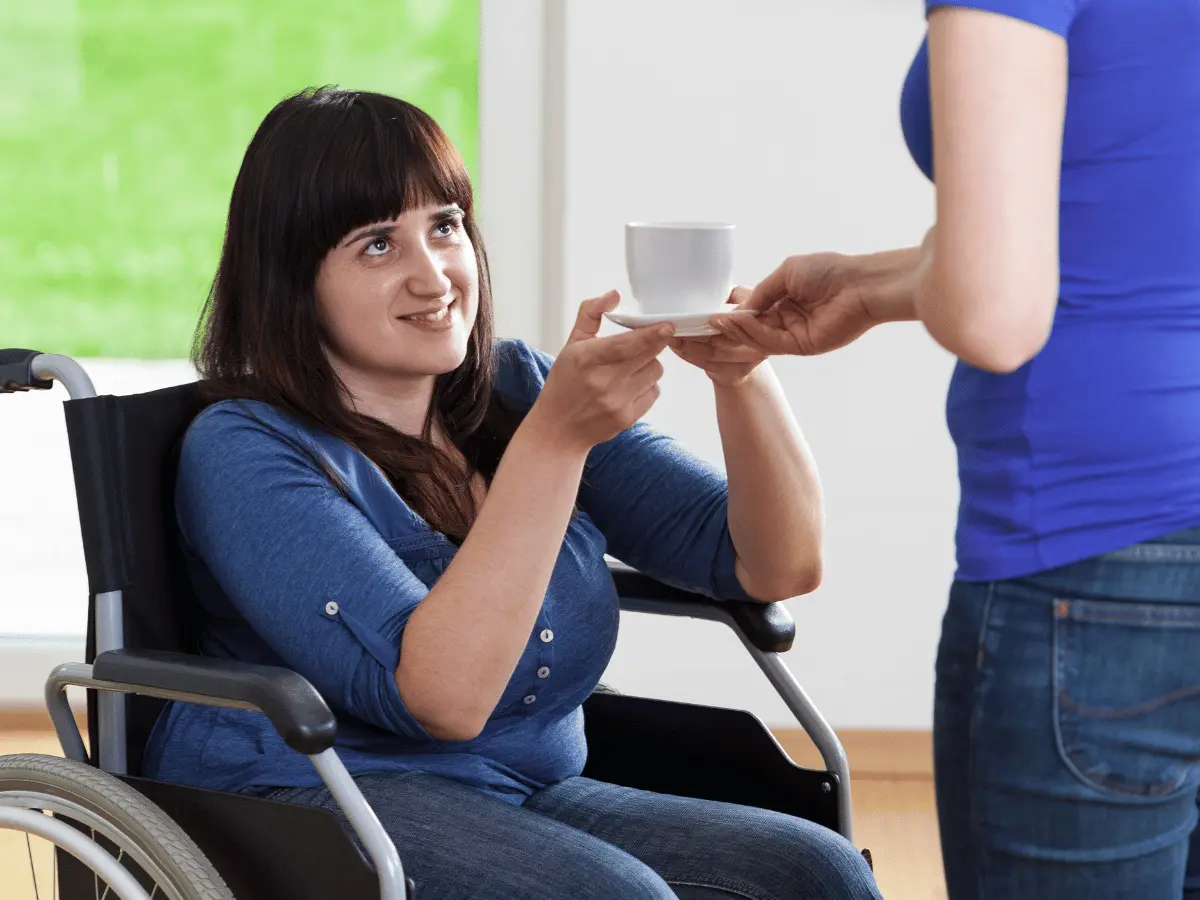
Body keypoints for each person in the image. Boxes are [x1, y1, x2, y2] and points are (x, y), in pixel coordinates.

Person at [138, 86, 879, 900]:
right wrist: (555, 443)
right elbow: (443, 698)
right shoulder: (245, 450)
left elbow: (775, 563)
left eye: (445, 227)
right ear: (291, 278)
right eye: (378, 245)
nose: (435, 278)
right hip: (313, 796)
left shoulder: (515, 387)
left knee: (817, 870)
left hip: (520, 788)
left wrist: (742, 376)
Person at [706, 2, 1200, 898]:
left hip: (1103, 546)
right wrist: (871, 284)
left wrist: (922, 279)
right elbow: (1146, 217)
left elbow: (992, 315)